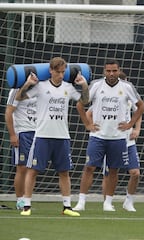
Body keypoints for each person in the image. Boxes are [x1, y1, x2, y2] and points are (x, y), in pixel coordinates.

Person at [15, 57, 89, 216]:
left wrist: (84, 85)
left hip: (62, 136)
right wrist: (28, 84)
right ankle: (27, 206)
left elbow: (85, 100)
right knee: (32, 170)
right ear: (51, 70)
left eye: (63, 72)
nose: (60, 75)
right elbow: (19, 98)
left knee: (64, 172)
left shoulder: (68, 87)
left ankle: (67, 207)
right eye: (58, 72)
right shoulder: (40, 86)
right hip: (42, 135)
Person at [73, 59, 144, 211]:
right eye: (108, 71)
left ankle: (108, 203)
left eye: (114, 71)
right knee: (89, 167)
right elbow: (80, 104)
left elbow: (140, 106)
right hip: (98, 136)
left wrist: (130, 124)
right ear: (104, 71)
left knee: (113, 170)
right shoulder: (96, 85)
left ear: (119, 71)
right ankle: (81, 201)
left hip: (118, 137)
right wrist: (87, 124)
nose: (111, 74)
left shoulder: (126, 87)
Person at [5, 88, 37, 210]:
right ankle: (20, 200)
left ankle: (27, 198)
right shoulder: (16, 90)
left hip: (38, 131)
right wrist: (13, 134)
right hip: (22, 132)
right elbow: (8, 112)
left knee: (33, 168)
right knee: (22, 167)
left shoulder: (41, 86)